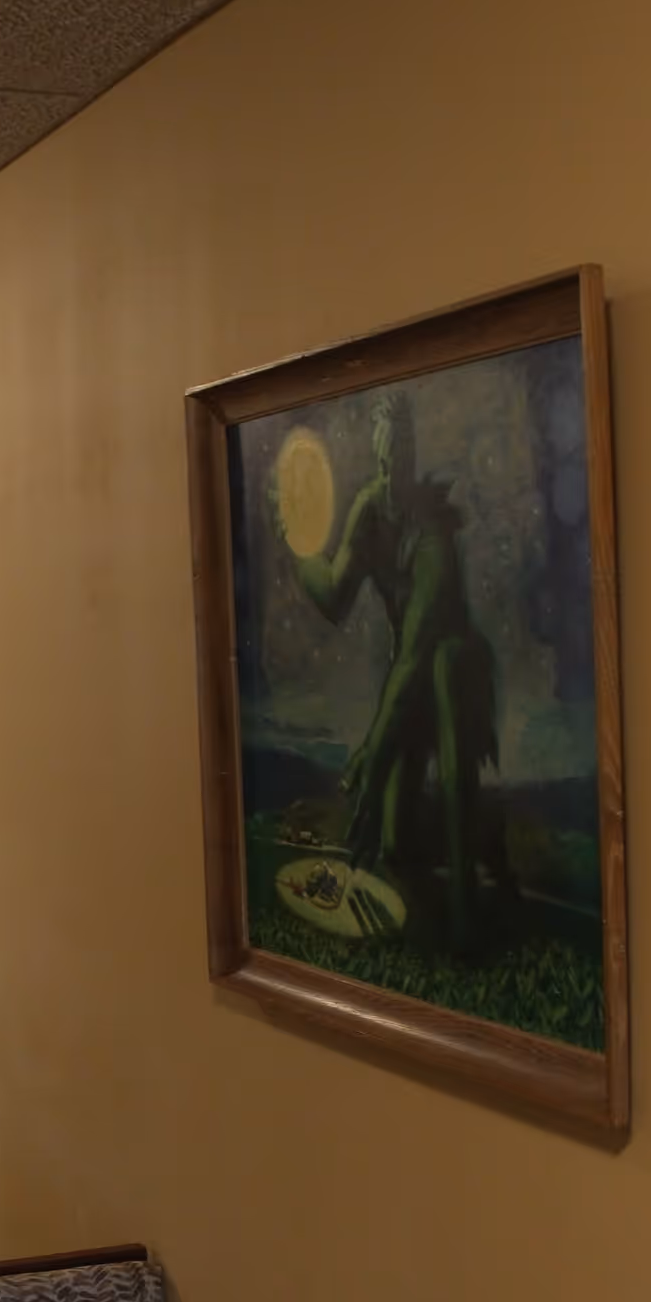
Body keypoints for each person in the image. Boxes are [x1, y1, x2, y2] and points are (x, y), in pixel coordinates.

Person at [286, 398, 496, 948]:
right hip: (411, 685)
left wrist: (375, 756)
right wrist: (298, 543)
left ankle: (467, 913)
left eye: (399, 462)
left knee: (447, 666)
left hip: (451, 673)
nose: (390, 475)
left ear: (411, 456)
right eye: (382, 462)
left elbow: (418, 652)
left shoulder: (433, 537)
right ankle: (479, 844)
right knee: (396, 844)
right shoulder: (370, 509)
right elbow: (333, 594)